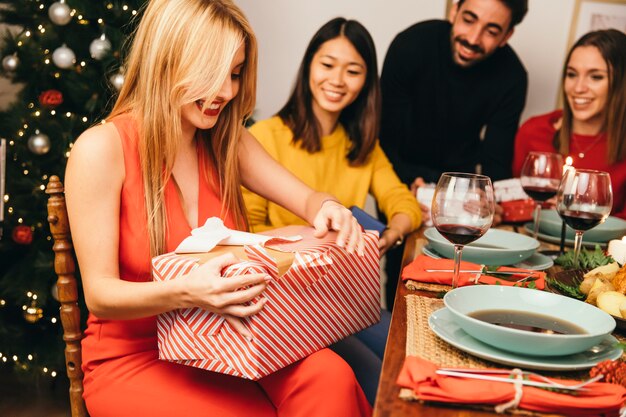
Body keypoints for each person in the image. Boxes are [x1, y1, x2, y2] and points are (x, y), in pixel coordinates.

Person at [64, 1, 372, 416]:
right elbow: (100, 295)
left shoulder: (226, 140)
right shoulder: (100, 149)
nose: (226, 92)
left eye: (235, 73)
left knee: (330, 378)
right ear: (166, 60)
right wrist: (187, 292)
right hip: (136, 355)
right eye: (212, 73)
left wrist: (328, 207)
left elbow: (308, 199)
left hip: (230, 338)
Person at [242, 17, 421, 404]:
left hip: (347, 300)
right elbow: (247, 228)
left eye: (353, 70)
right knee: (379, 382)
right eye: (327, 64)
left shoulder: (361, 147)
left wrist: (389, 236)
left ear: (365, 83)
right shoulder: (264, 138)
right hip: (288, 305)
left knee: (412, 351)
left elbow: (404, 204)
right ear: (309, 65)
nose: (338, 80)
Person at [379, 0, 529, 309]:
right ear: (453, 11)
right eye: (469, 20)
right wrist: (407, 186)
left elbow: (496, 163)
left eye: (491, 30)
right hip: (402, 176)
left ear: (507, 35)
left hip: (462, 191)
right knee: (400, 280)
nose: (473, 39)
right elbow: (384, 140)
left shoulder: (513, 75)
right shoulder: (411, 46)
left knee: (462, 281)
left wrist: (490, 201)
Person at [513, 29, 626, 220]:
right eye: (572, 74)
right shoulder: (534, 131)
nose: (578, 88)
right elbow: (511, 202)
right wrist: (535, 206)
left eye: (595, 77)